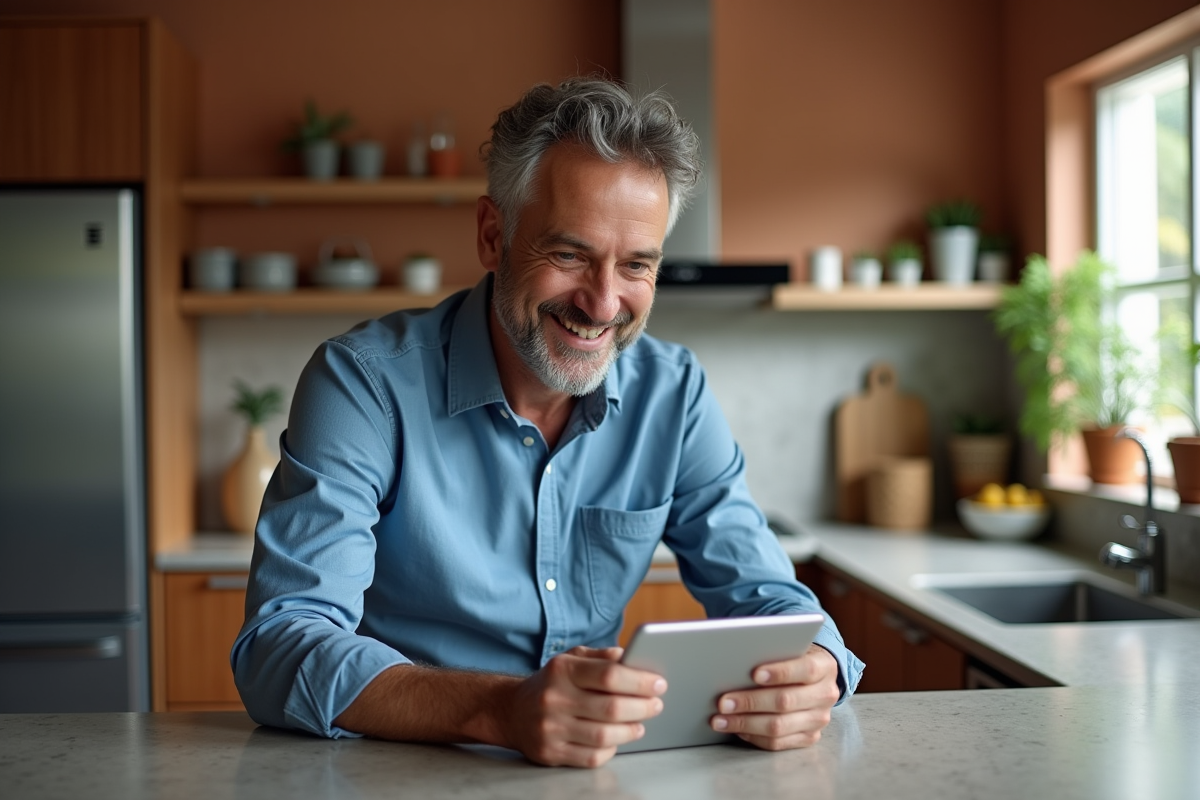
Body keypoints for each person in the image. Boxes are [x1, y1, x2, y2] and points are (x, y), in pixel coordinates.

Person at [231, 77, 864, 768]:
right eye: (569, 255)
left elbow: (773, 601)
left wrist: (818, 672)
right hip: (399, 771)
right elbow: (280, 645)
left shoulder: (673, 394)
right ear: (492, 234)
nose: (602, 302)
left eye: (636, 265)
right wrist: (498, 709)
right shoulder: (363, 384)